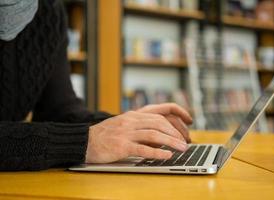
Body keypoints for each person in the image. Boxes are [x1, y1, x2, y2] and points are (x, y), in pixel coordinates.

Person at [0, 0, 192, 171]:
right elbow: (80, 138)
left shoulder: (48, 12)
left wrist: (128, 124)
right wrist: (85, 141)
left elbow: (59, 110)